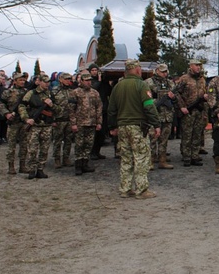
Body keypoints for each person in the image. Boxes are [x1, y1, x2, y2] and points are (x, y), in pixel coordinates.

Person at [107, 59, 161, 199]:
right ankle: (141, 190)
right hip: (137, 127)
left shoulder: (117, 87)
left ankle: (125, 188)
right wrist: (156, 124)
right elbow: (149, 106)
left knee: (126, 158)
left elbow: (111, 109)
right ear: (137, 69)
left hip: (122, 127)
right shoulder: (141, 85)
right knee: (141, 157)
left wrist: (112, 126)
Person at [18, 74, 62, 179]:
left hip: (46, 125)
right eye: (45, 82)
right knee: (32, 148)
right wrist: (26, 118)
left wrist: (52, 105)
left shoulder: (50, 94)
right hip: (35, 125)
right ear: (40, 82)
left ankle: (40, 169)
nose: (47, 84)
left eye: (48, 82)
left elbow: (59, 109)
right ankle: (32, 169)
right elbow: (22, 105)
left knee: (45, 149)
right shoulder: (31, 93)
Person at [175, 59, 208, 166]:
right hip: (188, 111)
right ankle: (186, 156)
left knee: (197, 134)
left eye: (200, 65)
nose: (199, 67)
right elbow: (176, 93)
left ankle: (195, 155)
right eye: (196, 65)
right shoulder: (184, 79)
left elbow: (205, 92)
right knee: (187, 134)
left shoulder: (202, 79)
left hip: (199, 110)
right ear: (191, 66)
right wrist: (182, 106)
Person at [70, 72, 102, 175]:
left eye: (90, 81)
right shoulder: (75, 92)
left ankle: (85, 163)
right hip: (80, 123)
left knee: (89, 144)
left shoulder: (95, 93)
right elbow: (71, 109)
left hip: (91, 123)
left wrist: (99, 122)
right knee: (79, 144)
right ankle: (78, 165)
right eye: (87, 80)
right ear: (81, 81)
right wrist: (73, 123)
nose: (89, 82)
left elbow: (99, 108)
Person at [0, 72, 29, 174]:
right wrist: (6, 114)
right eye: (20, 80)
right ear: (15, 81)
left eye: (24, 80)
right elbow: (1, 104)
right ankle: (11, 166)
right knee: (11, 145)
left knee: (24, 145)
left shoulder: (27, 92)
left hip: (24, 122)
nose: (22, 82)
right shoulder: (8, 92)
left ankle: (22, 165)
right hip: (13, 122)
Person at [145, 63, 176, 170]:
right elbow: (146, 99)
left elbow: (175, 97)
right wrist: (158, 101)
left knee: (164, 139)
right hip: (155, 115)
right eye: (162, 71)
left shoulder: (170, 83)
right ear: (157, 71)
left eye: (166, 71)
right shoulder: (149, 82)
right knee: (152, 139)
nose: (164, 73)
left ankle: (162, 160)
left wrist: (172, 97)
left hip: (167, 115)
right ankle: (150, 161)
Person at [51, 72, 76, 169]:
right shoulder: (54, 91)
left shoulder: (72, 91)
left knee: (68, 140)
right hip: (58, 119)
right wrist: (52, 119)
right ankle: (57, 159)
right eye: (66, 79)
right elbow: (51, 107)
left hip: (69, 119)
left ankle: (66, 157)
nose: (68, 81)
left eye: (69, 79)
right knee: (57, 140)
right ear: (60, 79)